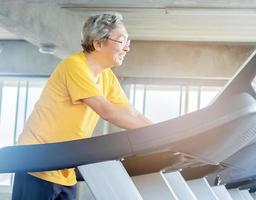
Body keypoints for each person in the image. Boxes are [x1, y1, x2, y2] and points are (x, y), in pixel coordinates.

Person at [12, 13, 152, 200]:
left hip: (64, 167)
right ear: (98, 43)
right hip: (36, 163)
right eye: (121, 41)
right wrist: (155, 135)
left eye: (128, 41)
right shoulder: (74, 66)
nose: (127, 48)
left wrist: (164, 133)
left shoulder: (106, 76)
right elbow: (107, 111)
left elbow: (131, 113)